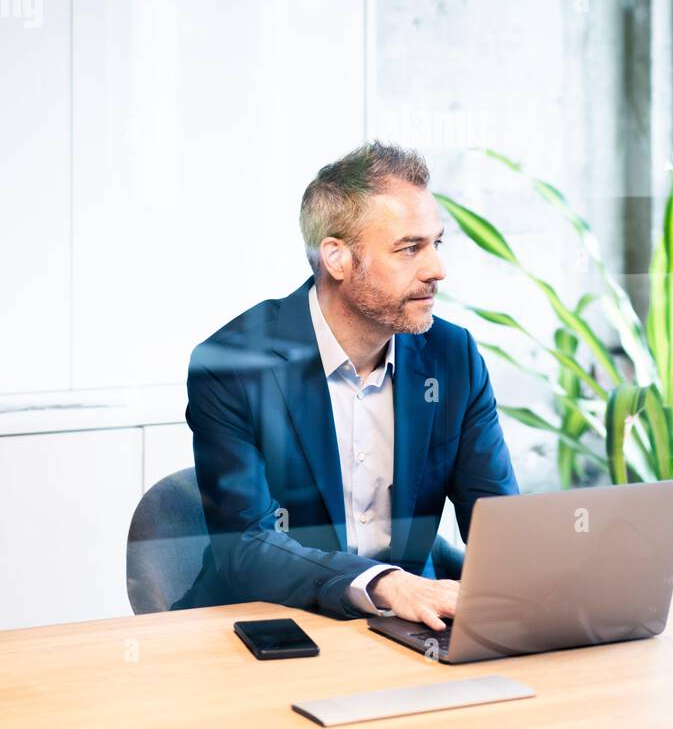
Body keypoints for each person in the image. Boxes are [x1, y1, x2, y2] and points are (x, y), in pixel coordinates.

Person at [175, 139, 519, 630]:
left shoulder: (452, 357)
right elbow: (247, 547)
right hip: (265, 627)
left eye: (436, 243)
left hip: (401, 629)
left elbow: (497, 521)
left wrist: (546, 586)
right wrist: (384, 583)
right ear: (337, 258)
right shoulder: (232, 365)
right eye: (409, 248)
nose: (437, 270)